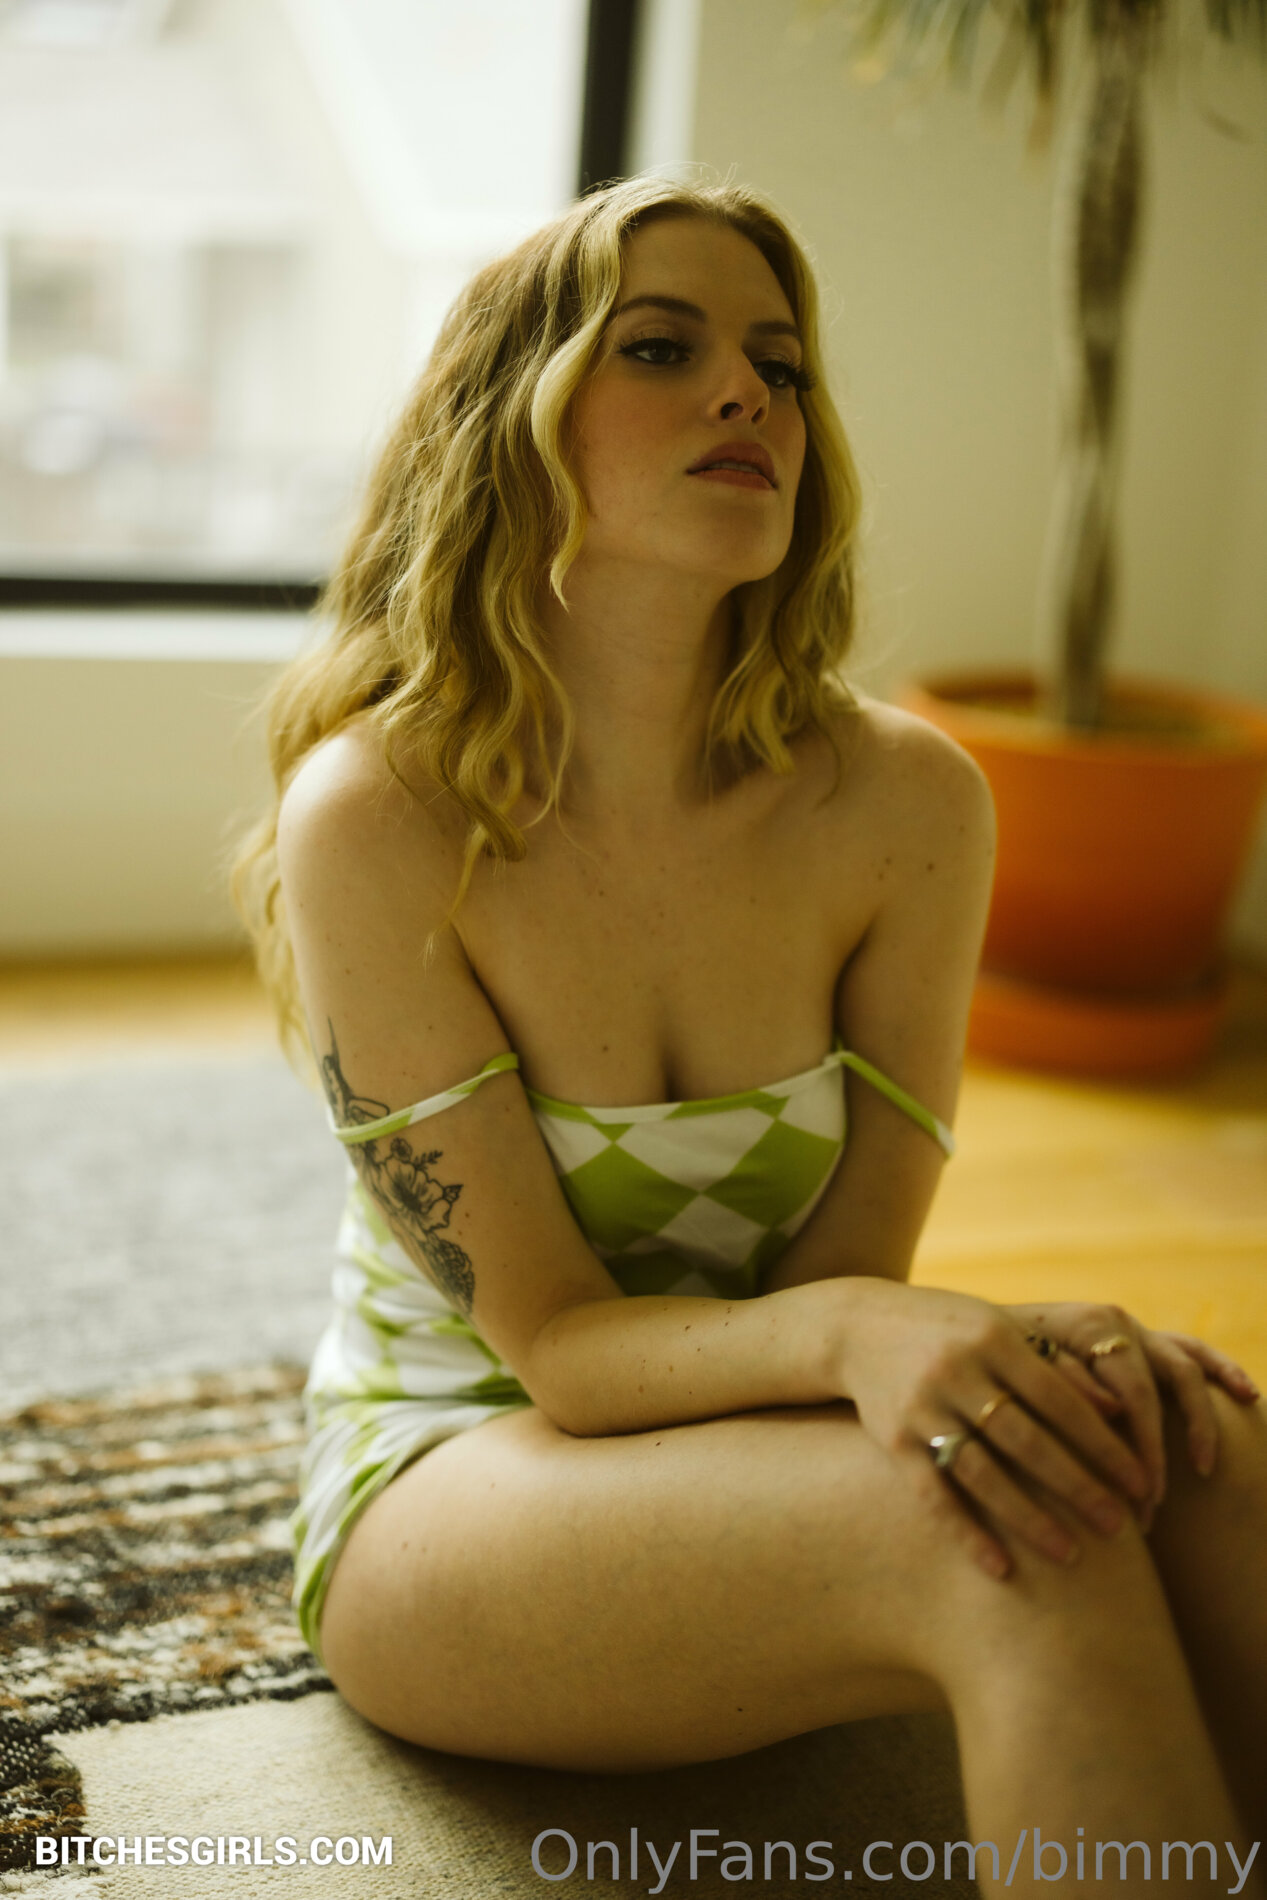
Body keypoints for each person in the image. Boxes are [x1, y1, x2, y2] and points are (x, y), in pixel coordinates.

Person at [234, 176, 1266, 1895]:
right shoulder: (382, 813)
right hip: (461, 1463)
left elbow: (846, 1281)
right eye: (663, 348)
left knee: (1189, 1444)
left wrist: (998, 1358)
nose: (749, 394)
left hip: (758, 1425)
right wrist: (902, 1337)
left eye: (779, 364)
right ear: (513, 419)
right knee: (1016, 1527)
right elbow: (562, 1347)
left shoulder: (910, 805)